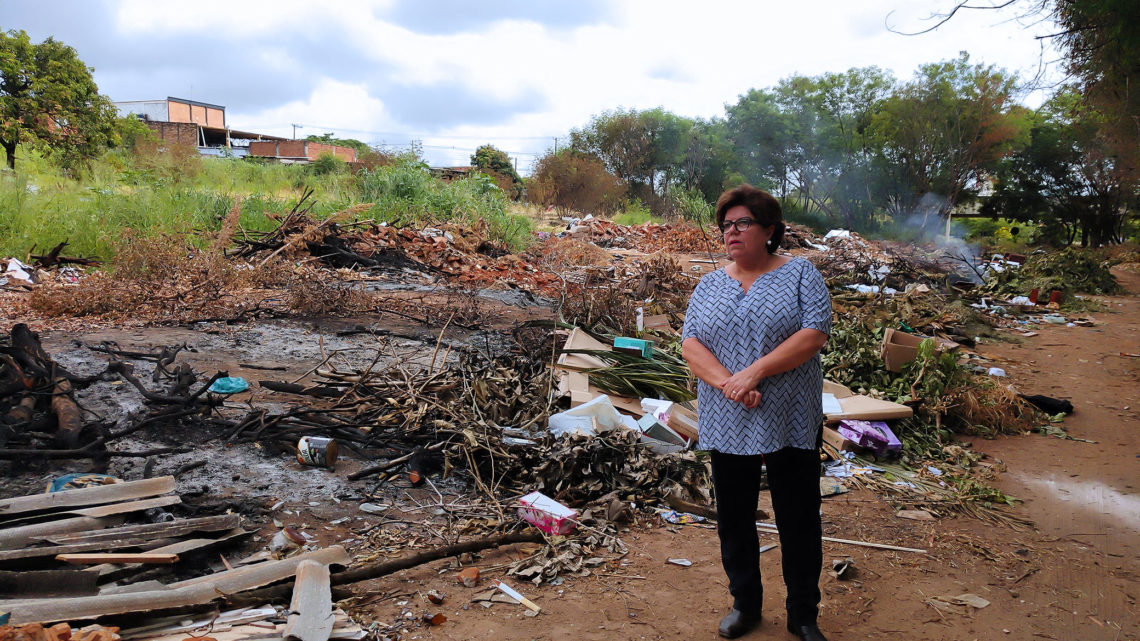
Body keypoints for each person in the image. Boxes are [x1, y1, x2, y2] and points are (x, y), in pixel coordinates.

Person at [681, 185, 832, 640]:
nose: (732, 231)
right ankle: (745, 605)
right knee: (734, 518)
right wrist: (730, 383)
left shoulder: (801, 274)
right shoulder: (709, 284)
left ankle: (803, 615)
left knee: (798, 518)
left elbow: (814, 333)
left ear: (769, 229)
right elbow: (690, 343)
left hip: (788, 415)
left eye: (743, 222)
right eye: (726, 224)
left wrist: (754, 374)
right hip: (728, 415)